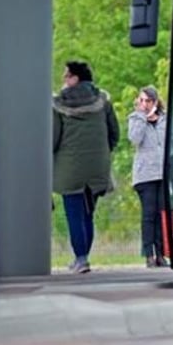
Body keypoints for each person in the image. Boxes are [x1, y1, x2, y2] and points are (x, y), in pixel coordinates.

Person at [53, 61, 120, 274]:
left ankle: (81, 258)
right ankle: (84, 257)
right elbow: (114, 133)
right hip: (97, 167)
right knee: (88, 213)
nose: (64, 79)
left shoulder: (59, 104)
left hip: (69, 168)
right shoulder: (103, 100)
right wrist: (102, 152)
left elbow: (53, 138)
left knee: (74, 214)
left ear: (76, 79)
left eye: (67, 76)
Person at [128, 86, 168, 268]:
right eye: (142, 100)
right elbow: (135, 139)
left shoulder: (165, 120)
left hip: (162, 173)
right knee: (149, 214)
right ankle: (148, 253)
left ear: (155, 102)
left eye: (148, 101)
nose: (145, 104)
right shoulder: (135, 119)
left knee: (161, 213)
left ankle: (161, 252)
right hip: (145, 175)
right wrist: (143, 117)